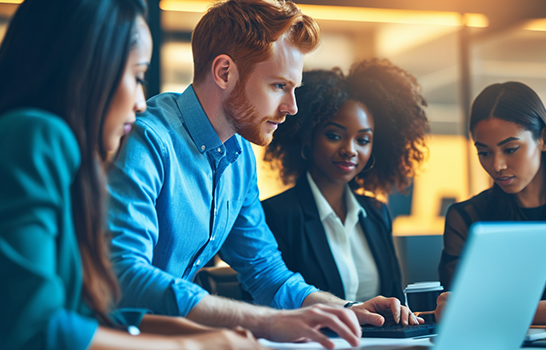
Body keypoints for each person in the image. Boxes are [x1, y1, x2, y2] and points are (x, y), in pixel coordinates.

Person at [107, 0, 420, 348]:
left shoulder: (240, 159)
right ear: (224, 72)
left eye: (294, 89)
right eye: (278, 86)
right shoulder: (149, 140)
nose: (292, 108)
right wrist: (268, 321)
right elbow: (125, 274)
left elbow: (266, 272)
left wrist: (345, 310)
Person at [0, 0, 267, 349]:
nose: (142, 101)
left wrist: (200, 333)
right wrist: (191, 346)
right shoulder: (37, 135)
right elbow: (36, 328)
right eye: (138, 76)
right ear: (89, 68)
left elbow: (86, 315)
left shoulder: (60, 152)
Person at [261, 60, 429, 307]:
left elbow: (394, 299)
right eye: (334, 136)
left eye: (363, 140)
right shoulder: (276, 215)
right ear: (308, 137)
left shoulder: (376, 212)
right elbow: (272, 299)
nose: (350, 150)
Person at [437, 81, 546, 324]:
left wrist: (494, 308)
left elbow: (475, 308)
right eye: (484, 153)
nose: (497, 166)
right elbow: (458, 306)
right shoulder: (467, 217)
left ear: (543, 139)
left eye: (510, 149)